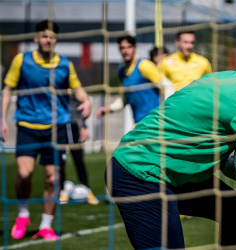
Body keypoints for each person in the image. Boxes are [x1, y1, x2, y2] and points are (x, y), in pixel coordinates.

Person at [105, 27, 236, 249]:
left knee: (235, 209)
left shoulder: (221, 78)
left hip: (152, 162)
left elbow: (196, 134)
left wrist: (232, 164)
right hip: (139, 174)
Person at [2, 20, 91, 241]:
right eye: (43, 36)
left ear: (56, 40)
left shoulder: (65, 65)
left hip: (57, 128)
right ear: (36, 38)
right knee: (24, 174)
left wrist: (87, 101)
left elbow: (77, 88)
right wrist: (2, 119)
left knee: (53, 180)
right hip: (28, 126)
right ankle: (23, 214)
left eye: (51, 36)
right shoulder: (22, 61)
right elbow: (8, 88)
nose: (47, 40)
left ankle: (46, 225)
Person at [97, 35, 174, 125]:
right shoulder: (122, 73)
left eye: (129, 47)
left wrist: (165, 112)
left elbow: (168, 86)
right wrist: (109, 108)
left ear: (135, 48)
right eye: (122, 48)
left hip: (153, 121)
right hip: (138, 123)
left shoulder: (144, 65)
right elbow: (124, 99)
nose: (125, 51)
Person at [59, 94, 99, 205]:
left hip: (74, 125)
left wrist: (84, 127)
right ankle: (62, 191)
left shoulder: (74, 86)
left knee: (78, 159)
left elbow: (83, 105)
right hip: (58, 125)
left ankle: (87, 190)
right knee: (59, 160)